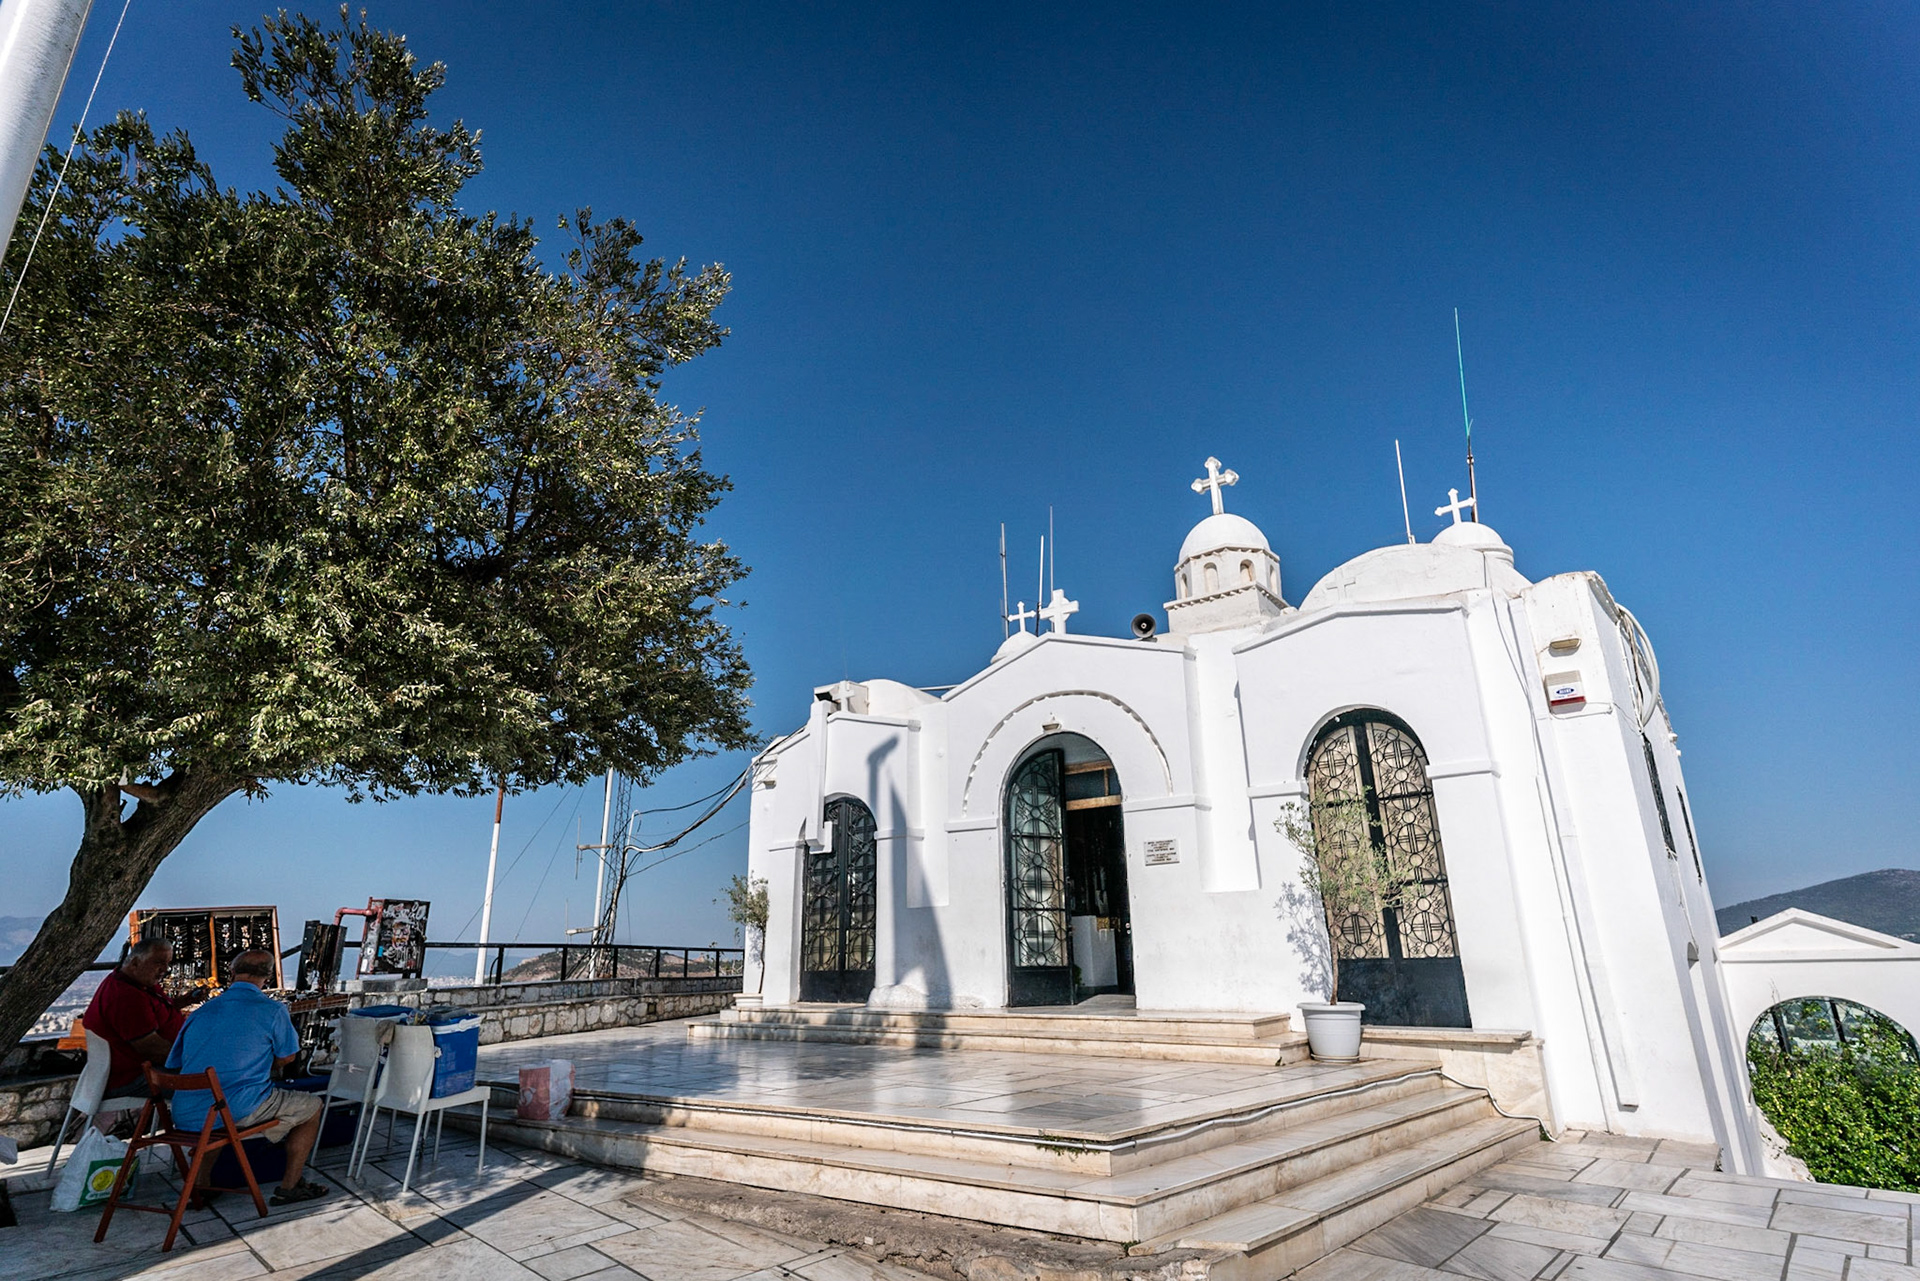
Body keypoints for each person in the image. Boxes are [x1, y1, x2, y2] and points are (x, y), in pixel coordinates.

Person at [164, 949, 328, 1204]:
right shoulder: (272, 1010)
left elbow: (177, 1061)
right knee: (312, 1106)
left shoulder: (200, 1013)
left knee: (217, 1103)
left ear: (231, 974)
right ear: (269, 977)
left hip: (185, 1110)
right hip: (233, 1108)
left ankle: (202, 1184)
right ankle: (291, 1185)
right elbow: (288, 1058)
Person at [81, 938, 192, 1098]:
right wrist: (195, 1056)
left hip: (148, 1067)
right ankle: (208, 1122)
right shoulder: (126, 997)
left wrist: (183, 1002)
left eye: (167, 963)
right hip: (135, 1077)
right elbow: (154, 1050)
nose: (165, 969)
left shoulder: (140, 982)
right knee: (215, 1083)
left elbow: (158, 1011)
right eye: (158, 963)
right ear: (134, 963)